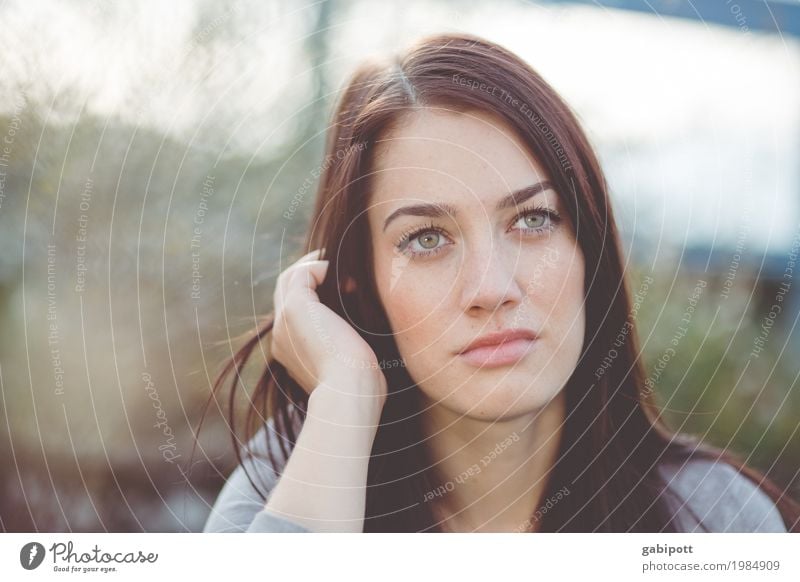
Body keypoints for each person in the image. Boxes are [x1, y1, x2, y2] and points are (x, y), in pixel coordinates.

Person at [200, 32, 798, 533]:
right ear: (361, 284)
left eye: (533, 220)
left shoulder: (714, 521)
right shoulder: (281, 500)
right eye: (427, 239)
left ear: (589, 249)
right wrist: (345, 401)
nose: (492, 287)